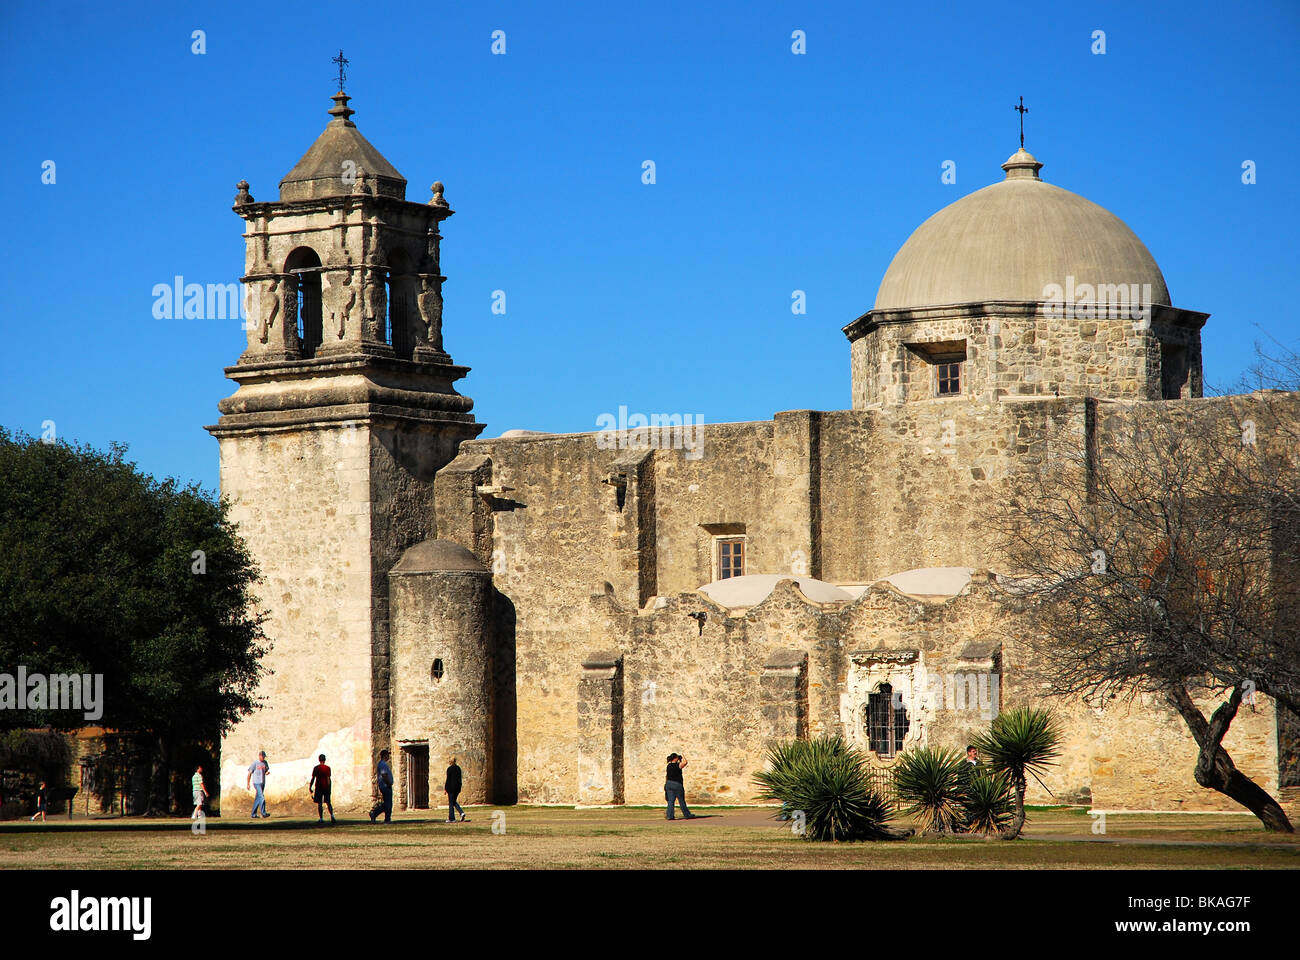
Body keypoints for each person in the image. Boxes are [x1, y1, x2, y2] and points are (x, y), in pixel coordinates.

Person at [665, 753, 697, 821]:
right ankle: (687, 815)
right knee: (681, 800)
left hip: (669, 783)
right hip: (677, 784)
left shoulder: (668, 766)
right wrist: (683, 756)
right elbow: (685, 762)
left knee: (671, 801)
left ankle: (670, 816)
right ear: (676, 758)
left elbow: (666, 776)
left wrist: (666, 785)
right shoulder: (677, 765)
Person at [309, 754, 335, 824]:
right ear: (325, 760)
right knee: (328, 802)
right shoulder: (328, 768)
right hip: (326, 787)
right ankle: (332, 816)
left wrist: (310, 786)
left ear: (319, 759)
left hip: (319, 787)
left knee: (320, 803)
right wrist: (329, 788)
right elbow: (328, 779)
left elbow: (313, 778)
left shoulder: (316, 768)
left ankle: (321, 818)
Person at [370, 749, 394, 823]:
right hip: (385, 786)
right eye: (387, 755)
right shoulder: (383, 764)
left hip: (385, 786)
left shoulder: (383, 764)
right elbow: (384, 775)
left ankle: (375, 813)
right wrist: (388, 783)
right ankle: (386, 818)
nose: (388, 756)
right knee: (388, 803)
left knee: (387, 803)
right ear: (385, 755)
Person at [246, 750, 270, 818]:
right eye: (263, 757)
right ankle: (263, 813)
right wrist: (248, 783)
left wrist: (266, 773)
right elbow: (249, 773)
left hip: (262, 782)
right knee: (262, 797)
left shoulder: (265, 763)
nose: (263, 758)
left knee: (258, 798)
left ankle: (253, 814)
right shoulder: (255, 763)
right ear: (259, 756)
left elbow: (265, 771)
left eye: (264, 757)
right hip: (256, 783)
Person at [445, 758, 468, 823]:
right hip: (457, 788)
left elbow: (448, 780)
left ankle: (451, 818)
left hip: (451, 788)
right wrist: (460, 787)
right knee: (454, 801)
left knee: (451, 803)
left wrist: (446, 788)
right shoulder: (458, 768)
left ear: (450, 762)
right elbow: (459, 779)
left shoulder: (449, 769)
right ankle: (461, 813)